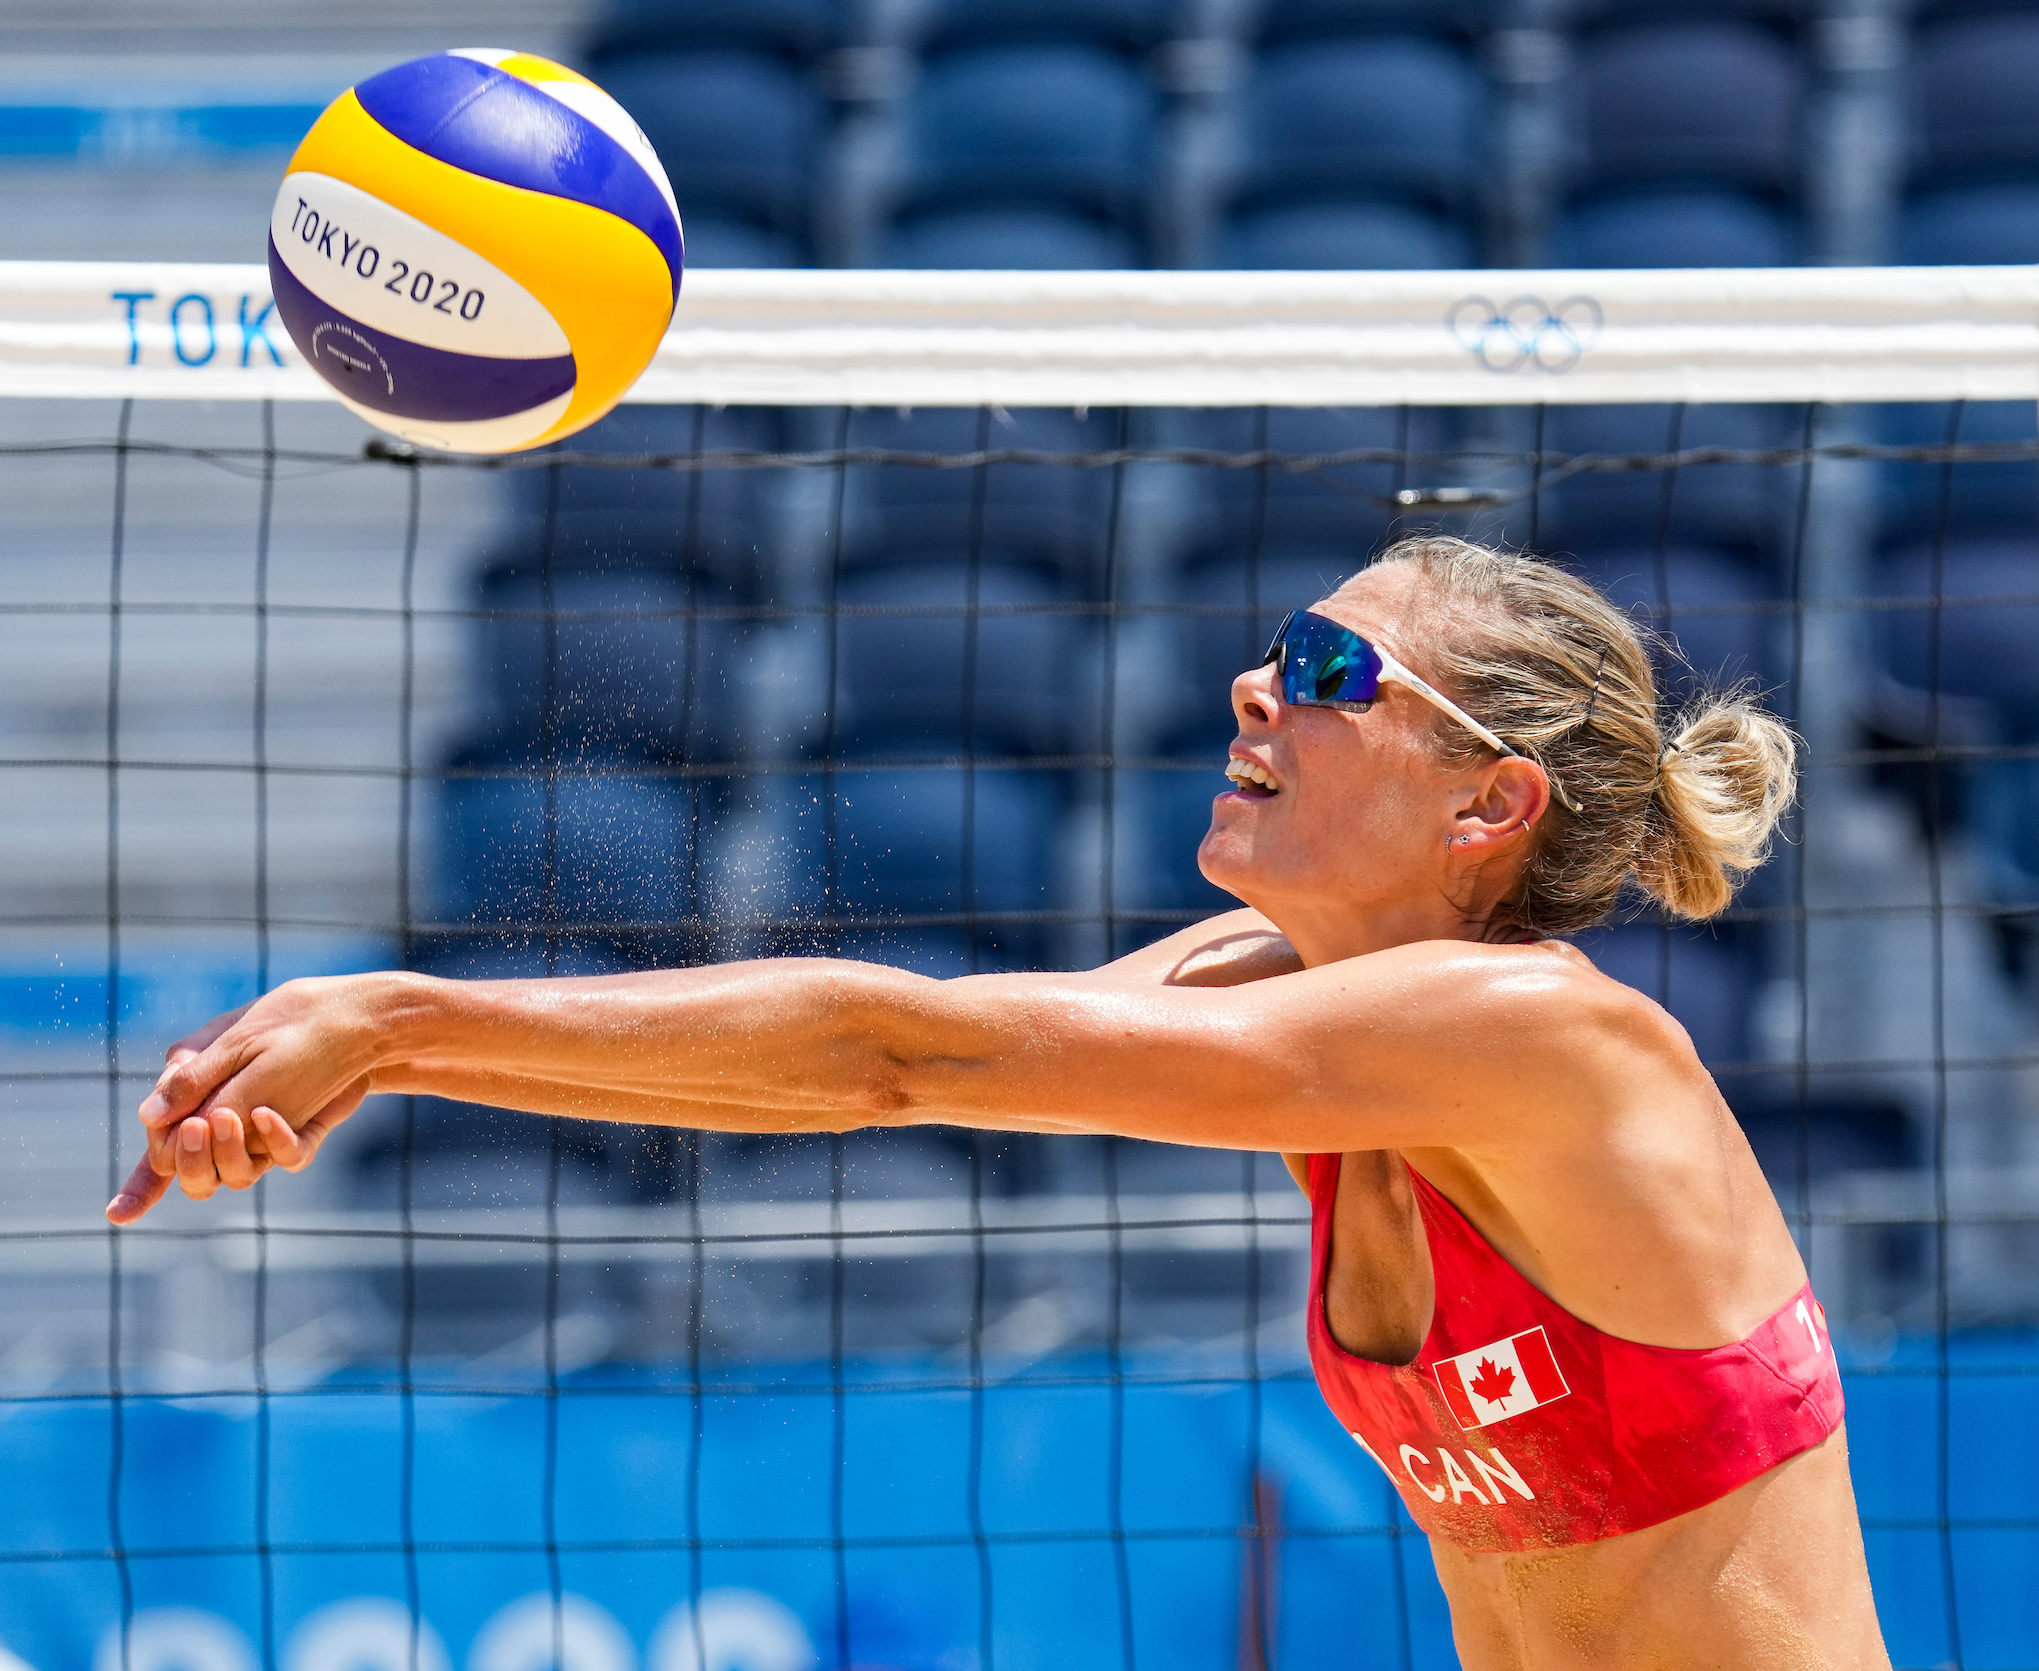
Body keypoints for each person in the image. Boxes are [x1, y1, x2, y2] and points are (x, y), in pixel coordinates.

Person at [105, 535, 1889, 1670]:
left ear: (1489, 806)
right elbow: (884, 1066)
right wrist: (394, 1049)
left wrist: (404, 1021)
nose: (1259, 684)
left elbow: (905, 1053)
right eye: (1281, 646)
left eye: (1337, 675)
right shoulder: (1275, 989)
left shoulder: (1541, 1042)